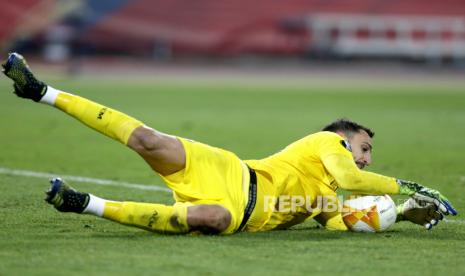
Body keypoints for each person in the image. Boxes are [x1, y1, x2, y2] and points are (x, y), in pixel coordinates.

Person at [2, 53, 457, 235]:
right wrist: (402, 185)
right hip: (229, 171)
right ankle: (41, 91)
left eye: (369, 152)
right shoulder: (326, 144)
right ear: (340, 138)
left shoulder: (320, 196)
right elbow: (351, 176)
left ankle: (84, 204)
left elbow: (342, 222)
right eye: (363, 145)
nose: (366, 155)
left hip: (239, 215)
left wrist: (404, 214)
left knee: (210, 218)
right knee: (145, 139)